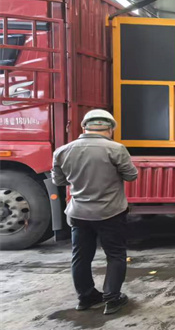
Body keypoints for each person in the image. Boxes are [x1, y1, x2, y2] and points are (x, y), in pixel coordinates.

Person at [51, 109, 138, 315]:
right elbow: (131, 176)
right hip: (110, 212)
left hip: (79, 213)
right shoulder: (116, 149)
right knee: (115, 255)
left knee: (80, 257)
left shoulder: (63, 151)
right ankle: (112, 299)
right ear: (111, 129)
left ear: (84, 127)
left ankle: (86, 297)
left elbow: (59, 181)